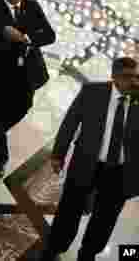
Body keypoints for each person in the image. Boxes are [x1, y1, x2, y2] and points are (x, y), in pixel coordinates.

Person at [41, 56, 138, 261]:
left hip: (120, 172)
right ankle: (55, 247)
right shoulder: (93, 92)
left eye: (137, 77)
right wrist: (58, 154)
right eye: (128, 77)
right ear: (114, 77)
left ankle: (88, 253)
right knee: (69, 210)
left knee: (105, 219)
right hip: (86, 162)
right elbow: (70, 122)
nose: (134, 82)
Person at [0, 0, 56, 177]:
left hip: (25, 72)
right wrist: (3, 35)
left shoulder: (32, 7)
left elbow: (50, 35)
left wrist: (26, 38)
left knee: (24, 106)